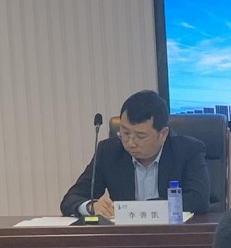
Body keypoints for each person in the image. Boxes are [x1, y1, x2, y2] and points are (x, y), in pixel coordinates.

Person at [59, 90, 210, 220]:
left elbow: (198, 200)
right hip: (124, 238)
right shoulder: (108, 152)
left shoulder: (187, 150)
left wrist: (142, 208)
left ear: (163, 134)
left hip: (174, 236)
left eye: (140, 136)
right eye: (125, 133)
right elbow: (71, 199)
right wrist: (91, 206)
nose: (130, 143)